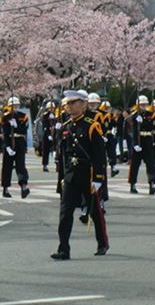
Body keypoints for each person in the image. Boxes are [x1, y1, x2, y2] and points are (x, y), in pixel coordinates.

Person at [52, 91, 108, 260]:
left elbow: (99, 155)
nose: (69, 106)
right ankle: (63, 248)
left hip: (88, 175)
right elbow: (63, 157)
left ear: (83, 104)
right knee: (65, 212)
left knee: (95, 212)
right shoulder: (65, 127)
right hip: (71, 176)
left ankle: (102, 243)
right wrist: (61, 179)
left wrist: (98, 178)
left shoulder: (92, 126)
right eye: (67, 103)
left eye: (73, 103)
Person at [128, 96, 155, 194]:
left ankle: (152, 184)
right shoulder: (134, 115)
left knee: (150, 164)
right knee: (135, 165)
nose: (143, 106)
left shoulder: (151, 114)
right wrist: (134, 144)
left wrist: (143, 122)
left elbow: (152, 126)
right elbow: (133, 131)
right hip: (139, 140)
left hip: (147, 141)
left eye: (145, 104)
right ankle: (132, 185)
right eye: (141, 105)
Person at [0, 97, 30, 198]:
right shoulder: (5, 117)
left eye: (17, 105)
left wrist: (16, 126)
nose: (15, 107)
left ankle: (23, 186)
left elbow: (24, 130)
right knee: (7, 166)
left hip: (20, 142)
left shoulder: (23, 116)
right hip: (9, 141)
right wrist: (7, 147)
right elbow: (5, 132)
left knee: (20, 165)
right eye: (13, 105)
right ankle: (5, 188)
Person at [40, 102, 55, 172]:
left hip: (54, 135)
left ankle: (57, 165)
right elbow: (45, 126)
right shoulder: (45, 115)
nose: (51, 109)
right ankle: (45, 165)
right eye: (50, 108)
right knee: (45, 151)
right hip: (47, 135)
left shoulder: (55, 115)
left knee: (56, 151)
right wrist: (48, 135)